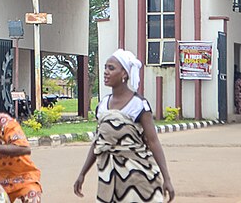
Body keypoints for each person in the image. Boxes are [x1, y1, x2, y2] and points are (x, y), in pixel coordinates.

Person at [74, 49, 175, 202]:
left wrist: (166, 178)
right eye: (106, 67)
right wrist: (82, 173)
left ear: (124, 74)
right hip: (108, 177)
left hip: (138, 177)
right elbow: (98, 142)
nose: (106, 72)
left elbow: (153, 142)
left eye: (111, 68)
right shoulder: (102, 106)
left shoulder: (138, 105)